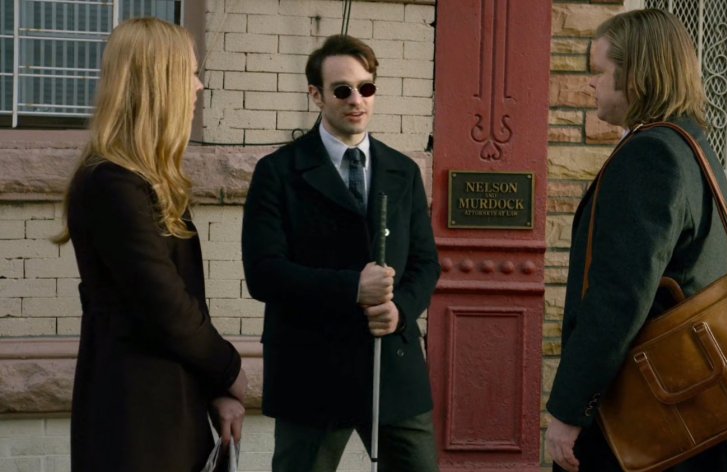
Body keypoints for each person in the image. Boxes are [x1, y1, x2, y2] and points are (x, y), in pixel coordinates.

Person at [544, 9, 727, 472]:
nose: (589, 85)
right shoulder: (690, 144)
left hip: (640, 406)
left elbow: (619, 297)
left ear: (637, 73)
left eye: (599, 72)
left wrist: (570, 410)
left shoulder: (650, 155)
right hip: (681, 400)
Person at [53, 18, 247, 471]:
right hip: (135, 420)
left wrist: (214, 388)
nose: (198, 86)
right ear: (157, 83)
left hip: (167, 405)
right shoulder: (112, 184)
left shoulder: (149, 182)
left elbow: (183, 307)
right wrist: (229, 370)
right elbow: (166, 306)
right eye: (190, 73)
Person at [242, 34, 441, 472]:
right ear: (316, 95)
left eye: (366, 88)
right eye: (342, 90)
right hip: (311, 371)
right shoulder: (278, 172)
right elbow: (264, 273)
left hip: (392, 366)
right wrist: (353, 287)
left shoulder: (402, 170)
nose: (357, 100)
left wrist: (401, 311)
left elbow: (427, 263)